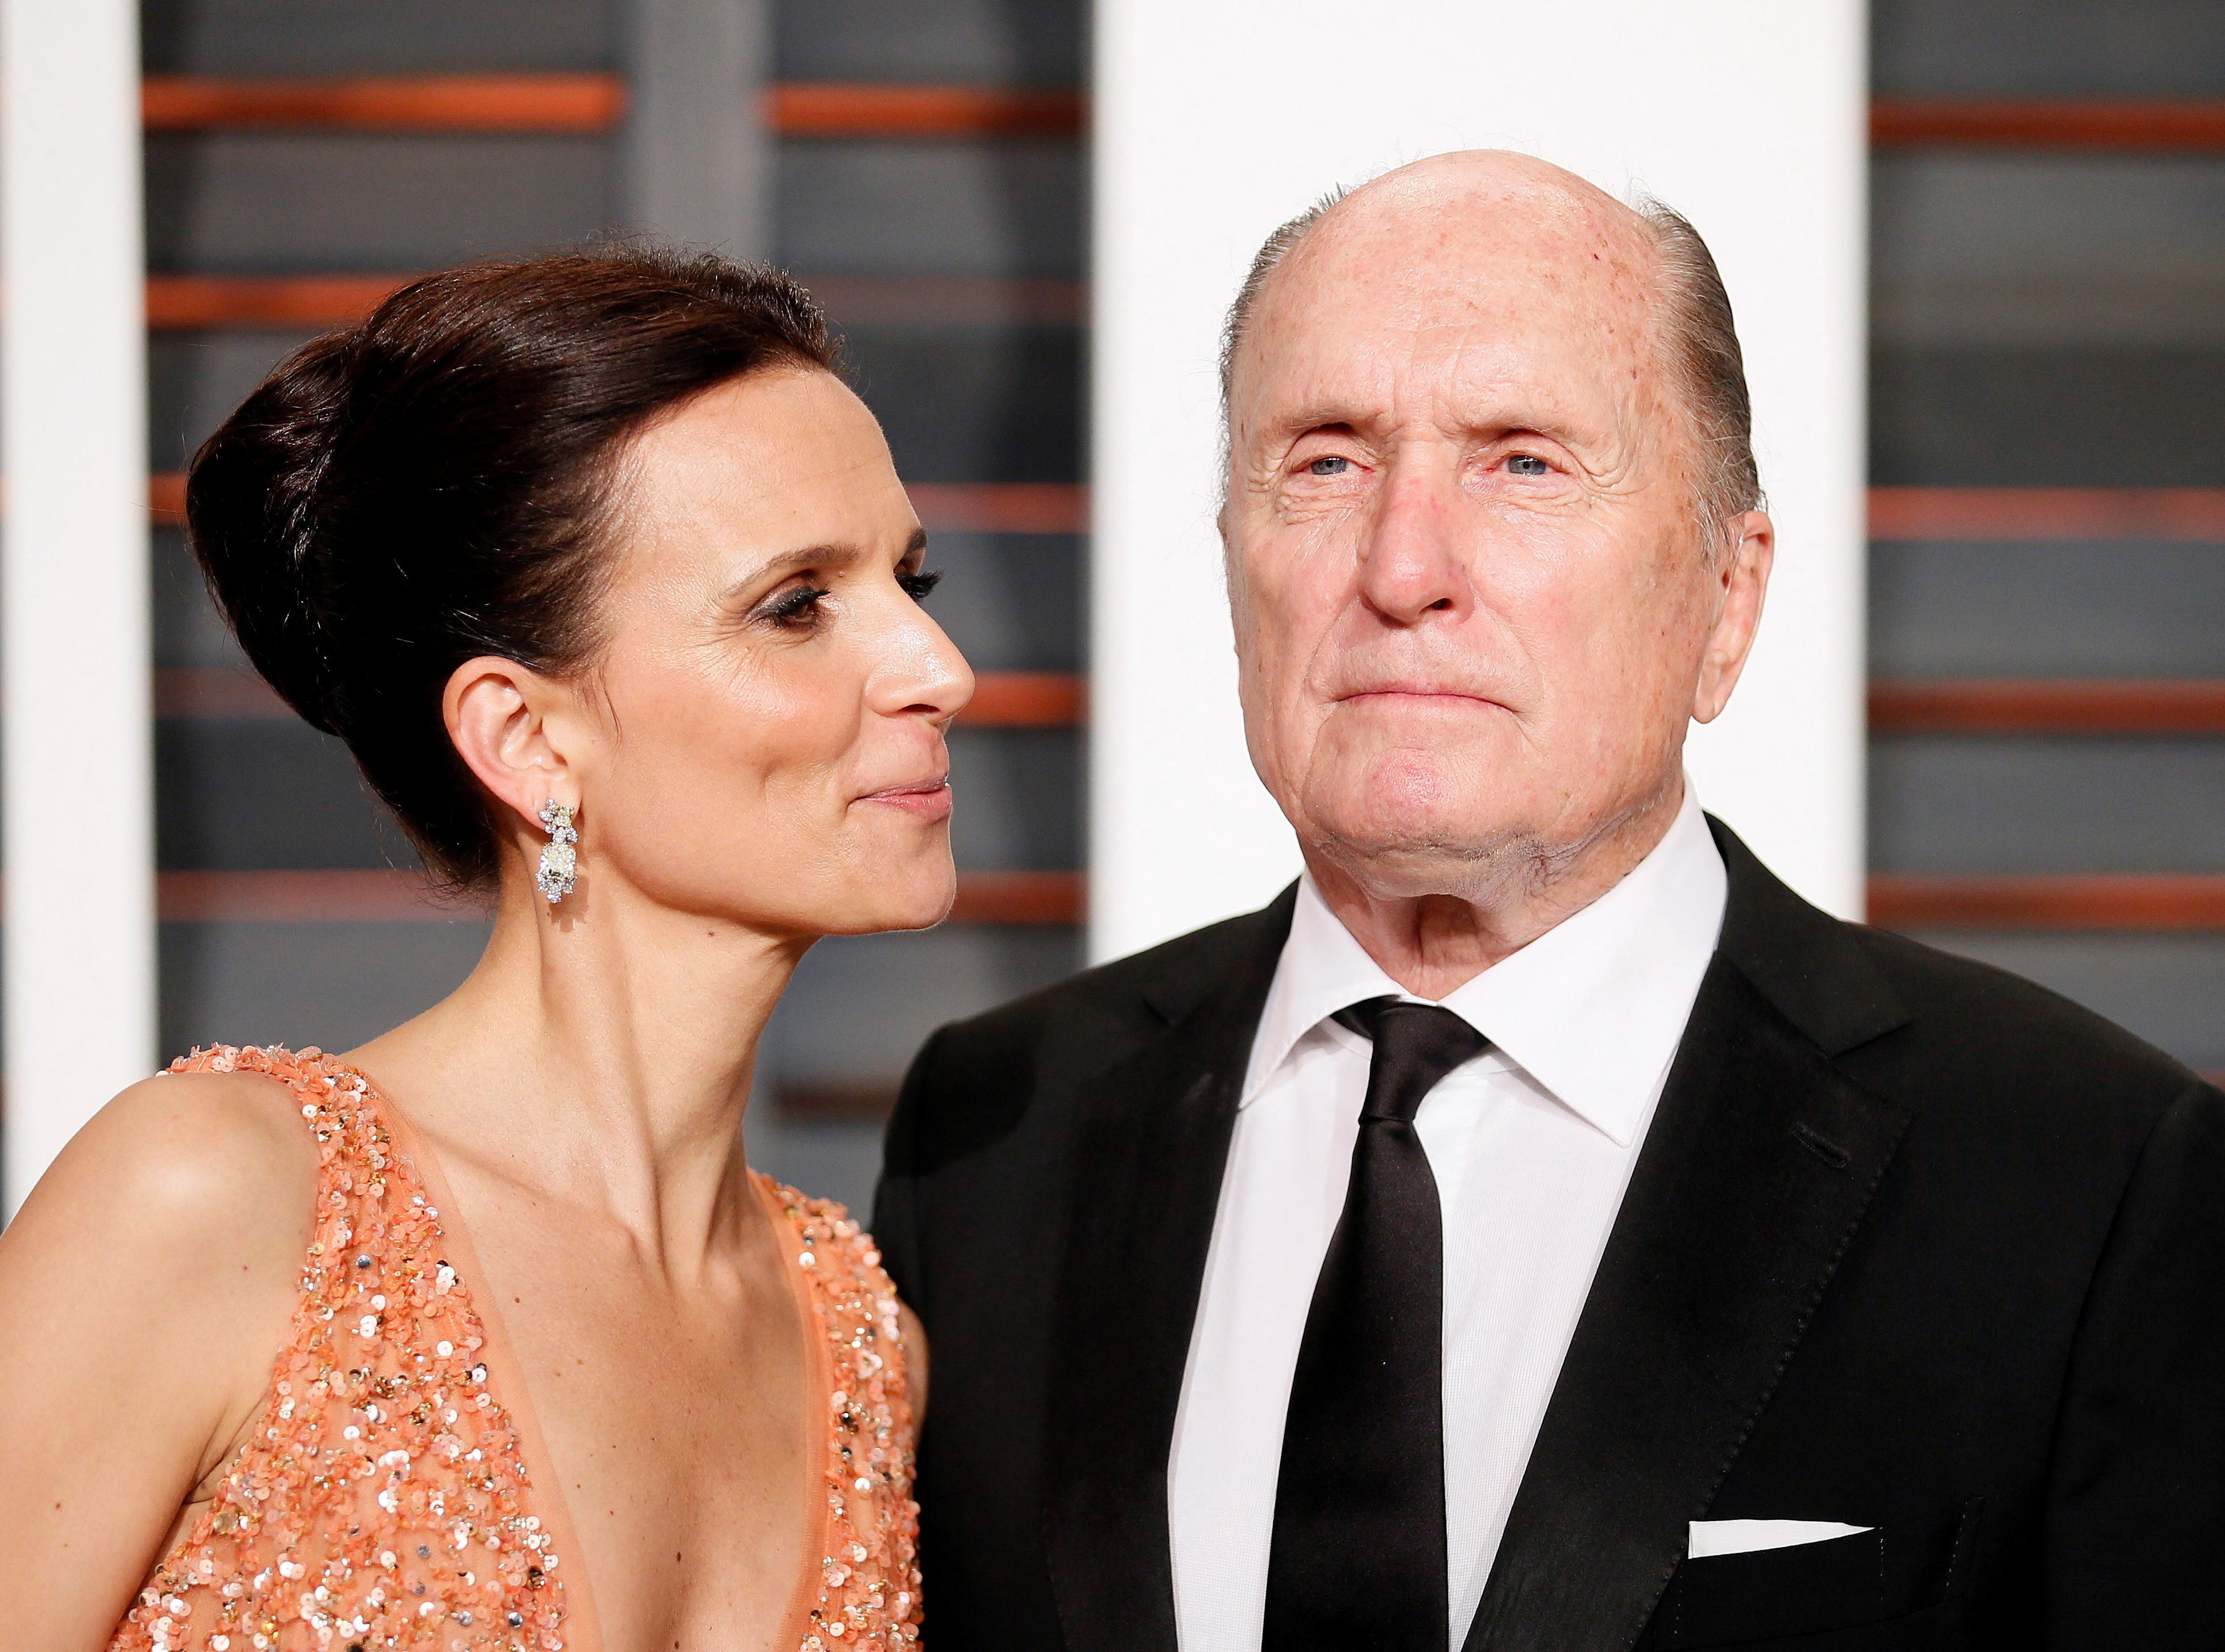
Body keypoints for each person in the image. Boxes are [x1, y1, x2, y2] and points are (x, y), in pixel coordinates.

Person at [874, 151, 2225, 1651]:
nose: (1402, 567)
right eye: (1324, 462)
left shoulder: (2088, 1178)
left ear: (1726, 600)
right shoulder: (994, 1133)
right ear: (1230, 564)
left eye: (1522, 463)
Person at [0, 250, 950, 1651]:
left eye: (911, 578)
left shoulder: (868, 1349)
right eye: (797, 604)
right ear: (526, 740)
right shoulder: (215, 1206)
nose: (938, 667)